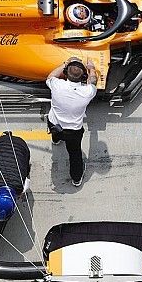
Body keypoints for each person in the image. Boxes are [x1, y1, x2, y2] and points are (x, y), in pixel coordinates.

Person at [46, 58, 98, 187]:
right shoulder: (87, 92)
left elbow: (50, 76)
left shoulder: (57, 85)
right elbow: (93, 81)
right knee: (75, 155)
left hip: (55, 125)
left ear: (65, 73)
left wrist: (66, 63)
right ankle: (76, 178)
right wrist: (91, 67)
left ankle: (56, 140)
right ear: (83, 76)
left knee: (55, 132)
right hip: (73, 132)